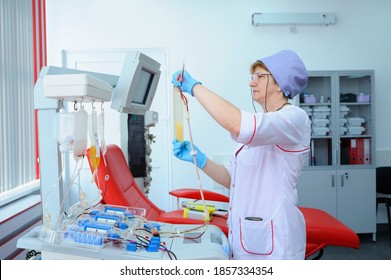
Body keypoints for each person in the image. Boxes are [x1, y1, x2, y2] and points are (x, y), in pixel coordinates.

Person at [171, 50, 311, 260]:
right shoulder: (265, 123)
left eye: (259, 77)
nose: (251, 83)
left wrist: (195, 87)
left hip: (275, 243)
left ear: (281, 84)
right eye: (252, 77)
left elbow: (236, 124)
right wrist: (198, 159)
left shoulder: (293, 119)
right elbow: (232, 179)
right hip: (249, 239)